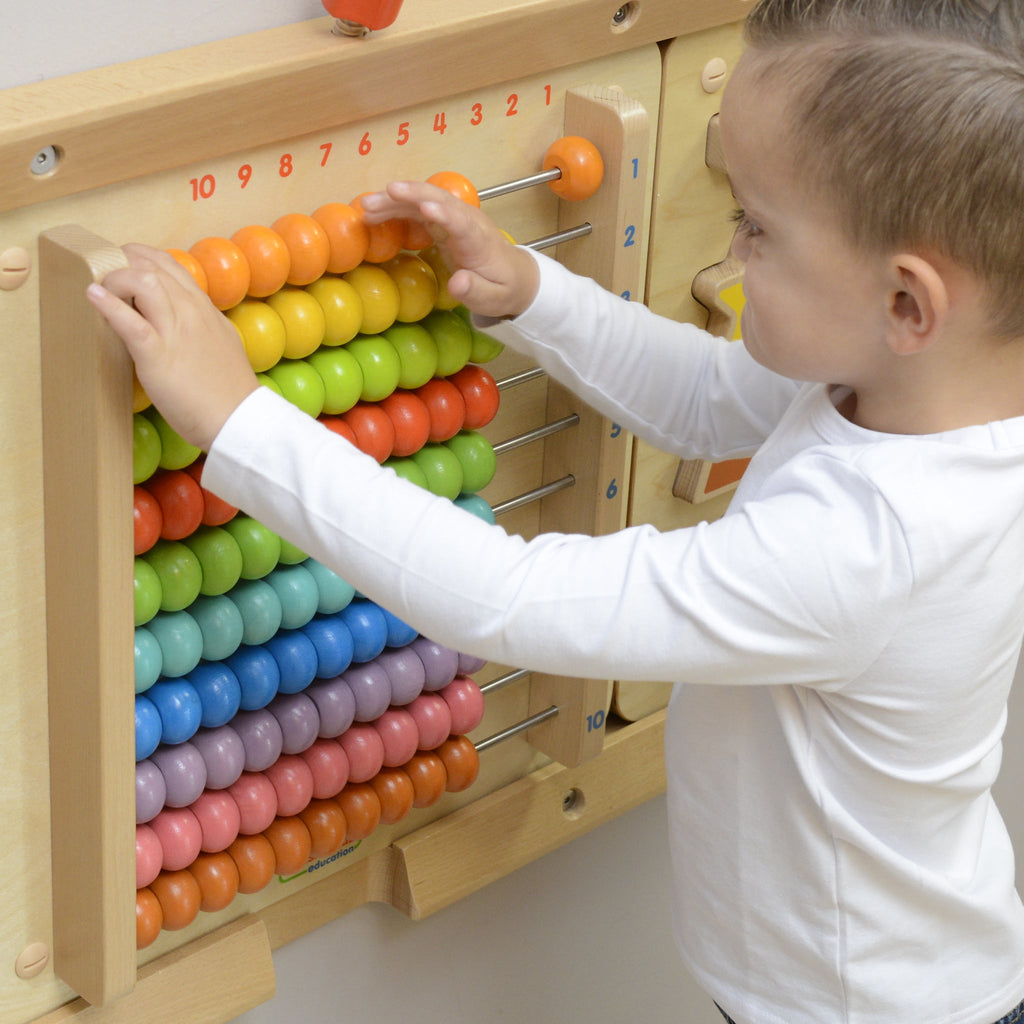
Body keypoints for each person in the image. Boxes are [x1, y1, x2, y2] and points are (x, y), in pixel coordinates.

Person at [86, 9, 1024, 1024]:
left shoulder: (872, 547)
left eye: (755, 224)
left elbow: (505, 598)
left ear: (907, 304)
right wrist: (529, 293)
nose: (732, 246)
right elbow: (708, 397)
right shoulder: (918, 395)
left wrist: (237, 420)